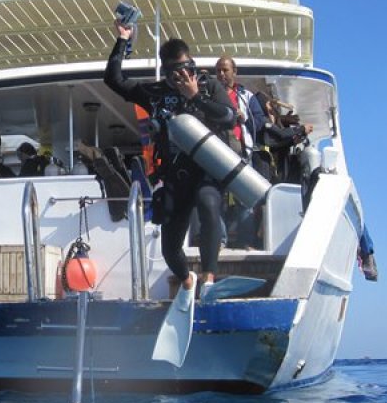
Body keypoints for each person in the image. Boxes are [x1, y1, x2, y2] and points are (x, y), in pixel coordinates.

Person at [104, 21, 236, 297]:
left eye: (188, 68)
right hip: (176, 175)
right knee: (169, 247)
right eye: (176, 72)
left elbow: (228, 117)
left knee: (208, 203)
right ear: (166, 71)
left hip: (207, 168)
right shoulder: (155, 94)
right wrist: (122, 40)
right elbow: (113, 80)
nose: (183, 76)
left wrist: (195, 97)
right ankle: (187, 281)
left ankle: (209, 279)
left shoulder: (207, 85)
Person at [215, 56, 267, 248]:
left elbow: (260, 122)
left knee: (244, 199)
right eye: (218, 70)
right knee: (216, 198)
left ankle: (245, 241)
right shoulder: (209, 94)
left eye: (225, 70)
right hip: (216, 151)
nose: (221, 74)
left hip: (242, 153)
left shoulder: (246, 96)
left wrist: (244, 117)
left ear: (234, 72)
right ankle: (219, 240)